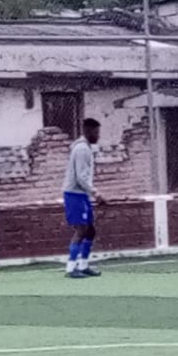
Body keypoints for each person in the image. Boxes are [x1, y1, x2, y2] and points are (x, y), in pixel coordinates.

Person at [63, 118, 107, 278]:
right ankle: (70, 268)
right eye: (96, 132)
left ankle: (83, 265)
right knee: (81, 230)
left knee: (90, 230)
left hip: (82, 194)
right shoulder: (82, 149)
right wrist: (96, 193)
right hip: (74, 194)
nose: (98, 136)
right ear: (88, 131)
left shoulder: (86, 148)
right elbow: (81, 177)